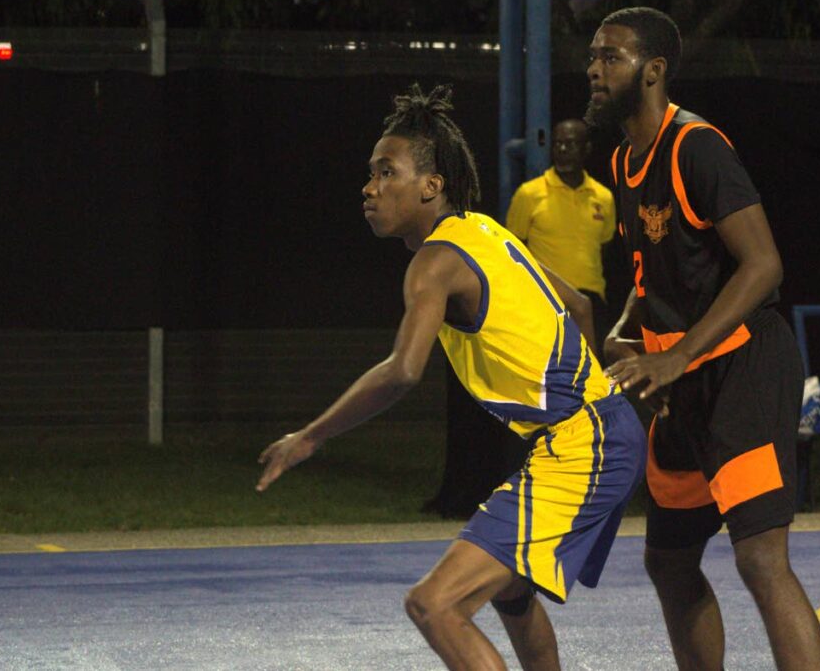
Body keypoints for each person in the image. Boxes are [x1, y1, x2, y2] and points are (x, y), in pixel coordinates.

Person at [257, 83, 646, 670]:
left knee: (433, 606)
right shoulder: (487, 231)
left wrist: (311, 436)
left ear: (431, 187)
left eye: (386, 173)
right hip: (591, 432)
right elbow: (583, 308)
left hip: (584, 443)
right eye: (370, 173)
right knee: (512, 592)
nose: (370, 187)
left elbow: (403, 370)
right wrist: (589, 394)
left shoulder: (433, 262)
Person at [584, 7, 820, 671]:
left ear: (654, 71)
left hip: (742, 369)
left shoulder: (696, 147)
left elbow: (764, 266)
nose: (595, 69)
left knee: (759, 559)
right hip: (682, 384)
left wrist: (678, 355)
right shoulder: (624, 162)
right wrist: (621, 336)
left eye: (611, 57)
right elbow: (647, 278)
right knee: (667, 560)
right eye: (593, 58)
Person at [505, 119, 617, 348]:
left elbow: (604, 247)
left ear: (586, 148)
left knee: (591, 375)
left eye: (571, 144)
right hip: (545, 300)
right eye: (557, 144)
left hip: (592, 300)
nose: (563, 150)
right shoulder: (529, 194)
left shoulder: (603, 197)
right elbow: (513, 252)